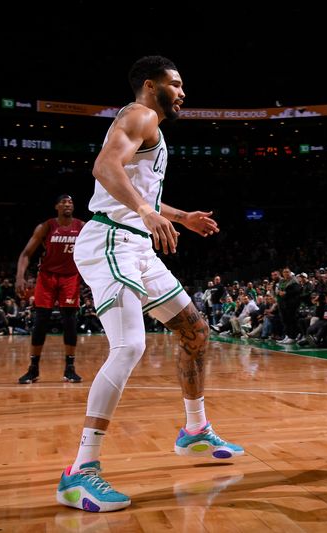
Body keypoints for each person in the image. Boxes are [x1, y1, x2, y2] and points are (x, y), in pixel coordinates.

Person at [56, 56, 242, 513]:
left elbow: (139, 189)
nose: (182, 92)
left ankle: (194, 431)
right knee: (129, 347)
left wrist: (178, 216)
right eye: (175, 84)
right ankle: (79, 472)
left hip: (136, 244)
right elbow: (104, 169)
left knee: (194, 330)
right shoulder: (139, 114)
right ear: (150, 85)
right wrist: (145, 211)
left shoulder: (150, 128)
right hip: (112, 241)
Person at [15, 194, 85, 384]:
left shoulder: (82, 227)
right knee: (40, 321)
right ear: (56, 207)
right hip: (47, 277)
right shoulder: (47, 226)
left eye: (70, 202)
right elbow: (26, 253)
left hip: (71, 277)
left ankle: (70, 368)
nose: (67, 204)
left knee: (70, 321)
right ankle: (33, 368)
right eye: (63, 202)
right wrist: (20, 277)